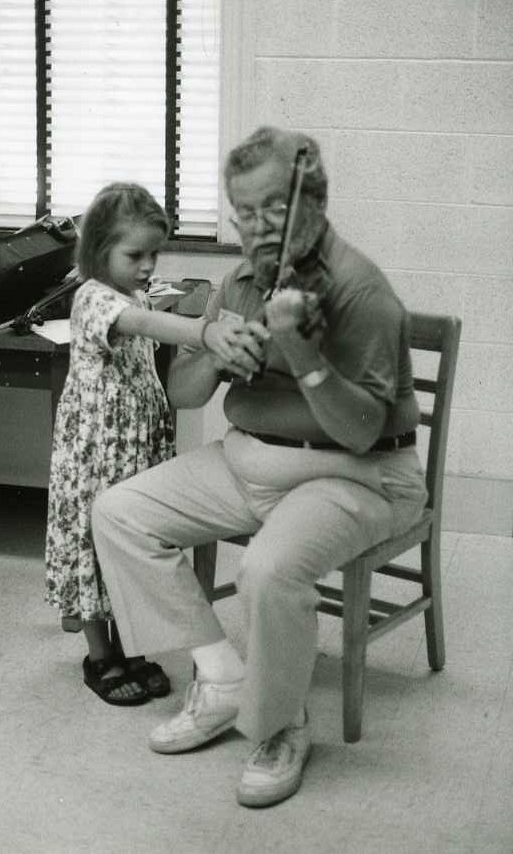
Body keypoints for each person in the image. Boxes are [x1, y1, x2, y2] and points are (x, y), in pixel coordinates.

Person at [90, 128, 428, 806]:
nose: (255, 227)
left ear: (315, 201)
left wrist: (304, 357)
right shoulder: (239, 282)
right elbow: (185, 394)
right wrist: (212, 352)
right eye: (242, 211)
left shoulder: (362, 293)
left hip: (353, 476)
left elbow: (362, 433)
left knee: (268, 569)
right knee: (117, 512)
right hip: (247, 461)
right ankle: (219, 678)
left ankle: (280, 725)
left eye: (273, 207)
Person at [45, 182, 240, 707]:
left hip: (134, 450)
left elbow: (146, 315)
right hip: (96, 454)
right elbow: (143, 323)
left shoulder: (130, 292)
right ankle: (99, 656)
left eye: (155, 253)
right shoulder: (92, 298)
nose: (148, 264)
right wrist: (203, 331)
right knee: (93, 547)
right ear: (98, 248)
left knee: (128, 548)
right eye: (135, 254)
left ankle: (130, 649)